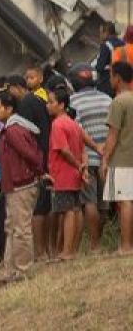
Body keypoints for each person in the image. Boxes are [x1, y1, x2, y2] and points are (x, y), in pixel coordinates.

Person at [0, 92, 43, 284]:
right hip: (14, 185)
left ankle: (22, 270)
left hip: (21, 184)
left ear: (9, 109)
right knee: (12, 228)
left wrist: (37, 170)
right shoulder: (12, 128)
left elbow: (29, 154)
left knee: (20, 229)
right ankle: (11, 269)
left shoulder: (13, 130)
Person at [8, 74, 52, 259]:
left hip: (37, 159)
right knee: (47, 205)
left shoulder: (25, 104)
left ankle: (39, 251)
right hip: (46, 154)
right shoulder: (38, 100)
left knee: (38, 209)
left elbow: (25, 136)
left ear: (17, 87)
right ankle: (49, 249)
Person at [69, 63, 112, 249]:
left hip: (86, 158)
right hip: (107, 158)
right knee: (103, 205)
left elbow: (75, 131)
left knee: (89, 202)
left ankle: (94, 244)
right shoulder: (107, 99)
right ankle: (99, 240)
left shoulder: (73, 103)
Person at [46, 87, 88, 261]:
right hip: (74, 175)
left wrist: (78, 165)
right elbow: (83, 146)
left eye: (51, 102)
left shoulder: (57, 124)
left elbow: (63, 150)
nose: (48, 105)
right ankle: (73, 249)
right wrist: (82, 167)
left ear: (61, 105)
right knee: (76, 209)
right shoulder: (73, 123)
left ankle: (67, 251)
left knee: (67, 211)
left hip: (63, 174)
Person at [101, 61, 133, 254]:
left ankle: (126, 245)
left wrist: (105, 159)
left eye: (111, 75)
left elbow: (113, 136)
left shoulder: (118, 102)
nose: (110, 79)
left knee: (125, 201)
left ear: (118, 78)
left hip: (122, 160)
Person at [95, 20, 126, 95]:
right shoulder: (123, 44)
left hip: (108, 83)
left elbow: (99, 67)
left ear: (107, 33)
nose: (100, 35)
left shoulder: (106, 45)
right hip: (123, 81)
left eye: (101, 32)